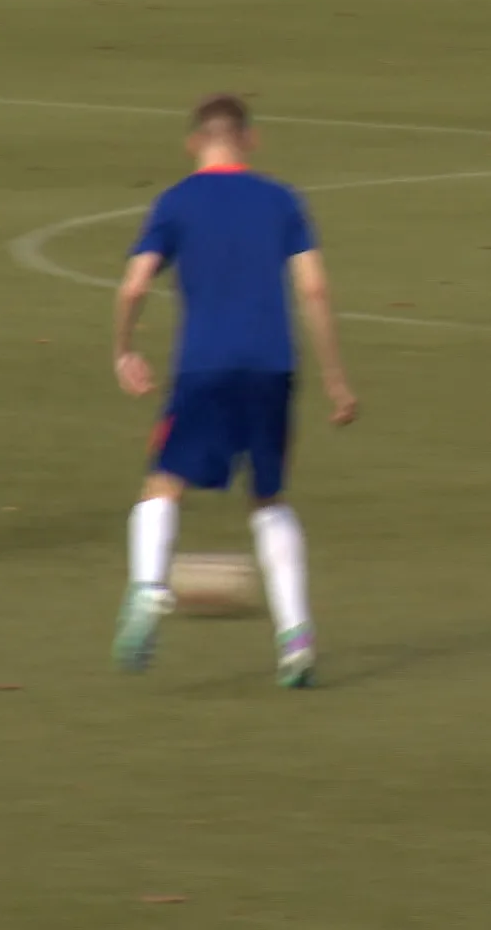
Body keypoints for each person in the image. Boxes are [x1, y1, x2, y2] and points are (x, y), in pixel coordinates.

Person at [111, 93, 357, 687]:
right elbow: (314, 290)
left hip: (204, 366)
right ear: (250, 140)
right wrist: (335, 378)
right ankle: (296, 637)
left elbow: (134, 285)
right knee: (268, 498)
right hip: (273, 367)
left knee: (163, 484)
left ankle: (148, 588)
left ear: (193, 142)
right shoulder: (282, 199)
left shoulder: (175, 201)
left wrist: (124, 349)